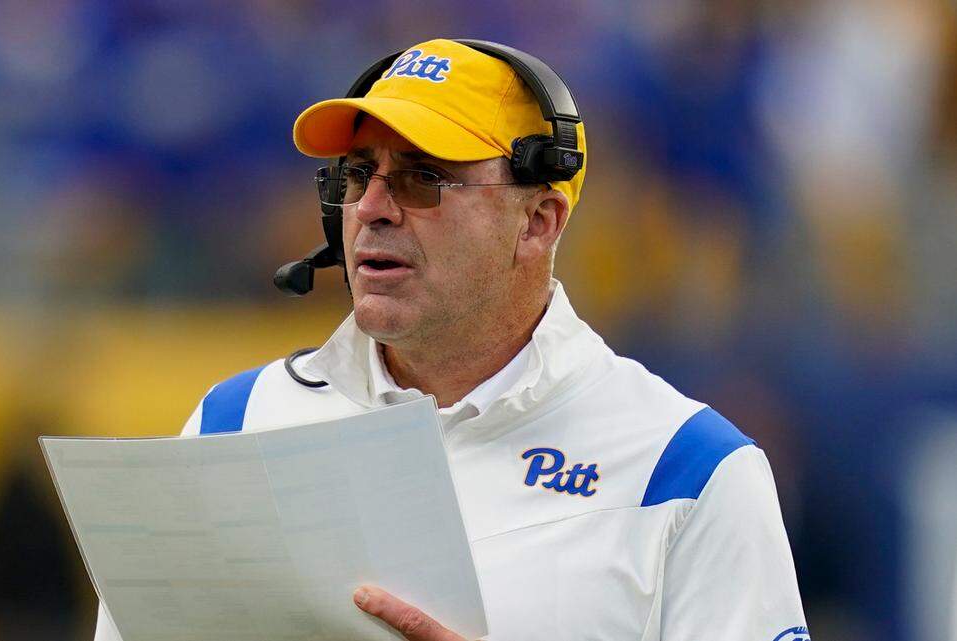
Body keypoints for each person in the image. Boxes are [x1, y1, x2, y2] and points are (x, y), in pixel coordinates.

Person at [93, 38, 807, 641]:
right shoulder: (232, 426)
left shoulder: (688, 472)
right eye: (358, 174)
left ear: (539, 221)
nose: (372, 207)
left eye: (423, 178)